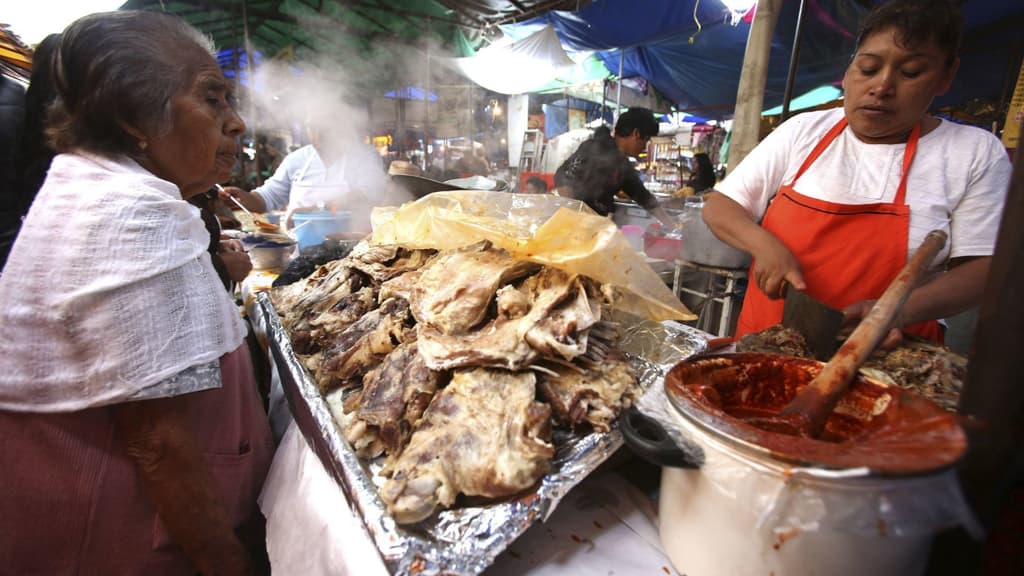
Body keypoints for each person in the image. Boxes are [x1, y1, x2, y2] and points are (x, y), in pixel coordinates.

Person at [0, 11, 273, 575]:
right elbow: (157, 442)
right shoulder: (125, 214)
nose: (237, 123)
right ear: (132, 117)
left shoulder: (110, 188)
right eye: (214, 99)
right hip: (117, 539)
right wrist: (230, 565)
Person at [702, 0, 1011, 345]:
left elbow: (985, 270)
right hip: (768, 344)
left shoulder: (974, 153)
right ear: (849, 72)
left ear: (946, 76)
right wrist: (765, 245)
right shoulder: (802, 131)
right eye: (868, 68)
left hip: (885, 362)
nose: (882, 87)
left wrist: (892, 311)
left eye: (910, 73)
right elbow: (720, 207)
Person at [221, 122, 389, 231]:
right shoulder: (297, 159)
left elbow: (371, 193)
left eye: (325, 126)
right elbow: (269, 196)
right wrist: (244, 197)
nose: (318, 134)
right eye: (312, 126)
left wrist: (317, 210)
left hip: (350, 246)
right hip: (300, 249)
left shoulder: (363, 155)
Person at [554, 107, 676, 227]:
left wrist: (673, 227)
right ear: (636, 134)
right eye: (646, 140)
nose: (645, 146)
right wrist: (576, 216)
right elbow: (562, 177)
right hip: (577, 228)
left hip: (599, 228)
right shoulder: (594, 147)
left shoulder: (623, 165)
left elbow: (645, 199)